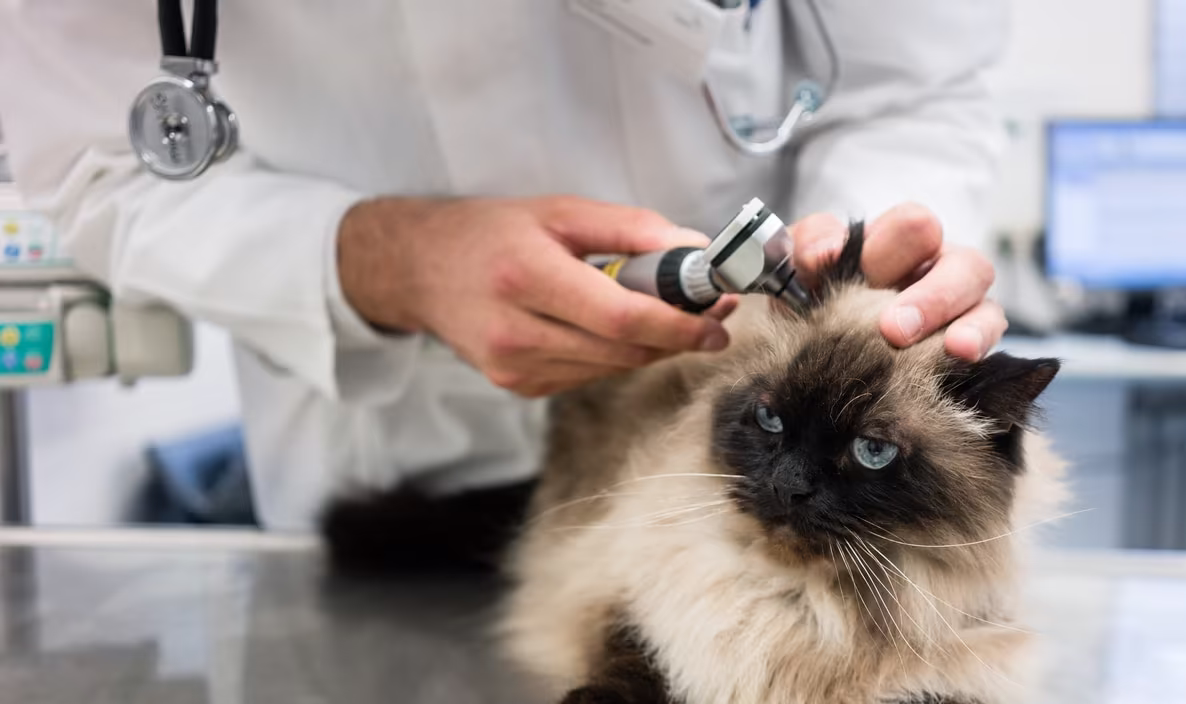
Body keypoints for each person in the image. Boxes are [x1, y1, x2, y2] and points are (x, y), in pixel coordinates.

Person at [0, 1, 1009, 531]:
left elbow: (913, 89)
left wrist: (872, 256)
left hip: (727, 476)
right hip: (378, 489)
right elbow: (90, 160)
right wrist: (380, 258)